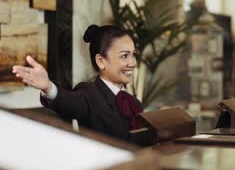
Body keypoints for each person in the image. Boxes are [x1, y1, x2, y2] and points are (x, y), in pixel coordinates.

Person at [12, 24, 153, 146]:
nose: (133, 63)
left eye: (133, 55)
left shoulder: (134, 103)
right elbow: (68, 101)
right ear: (101, 61)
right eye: (124, 56)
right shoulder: (88, 93)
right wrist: (48, 87)